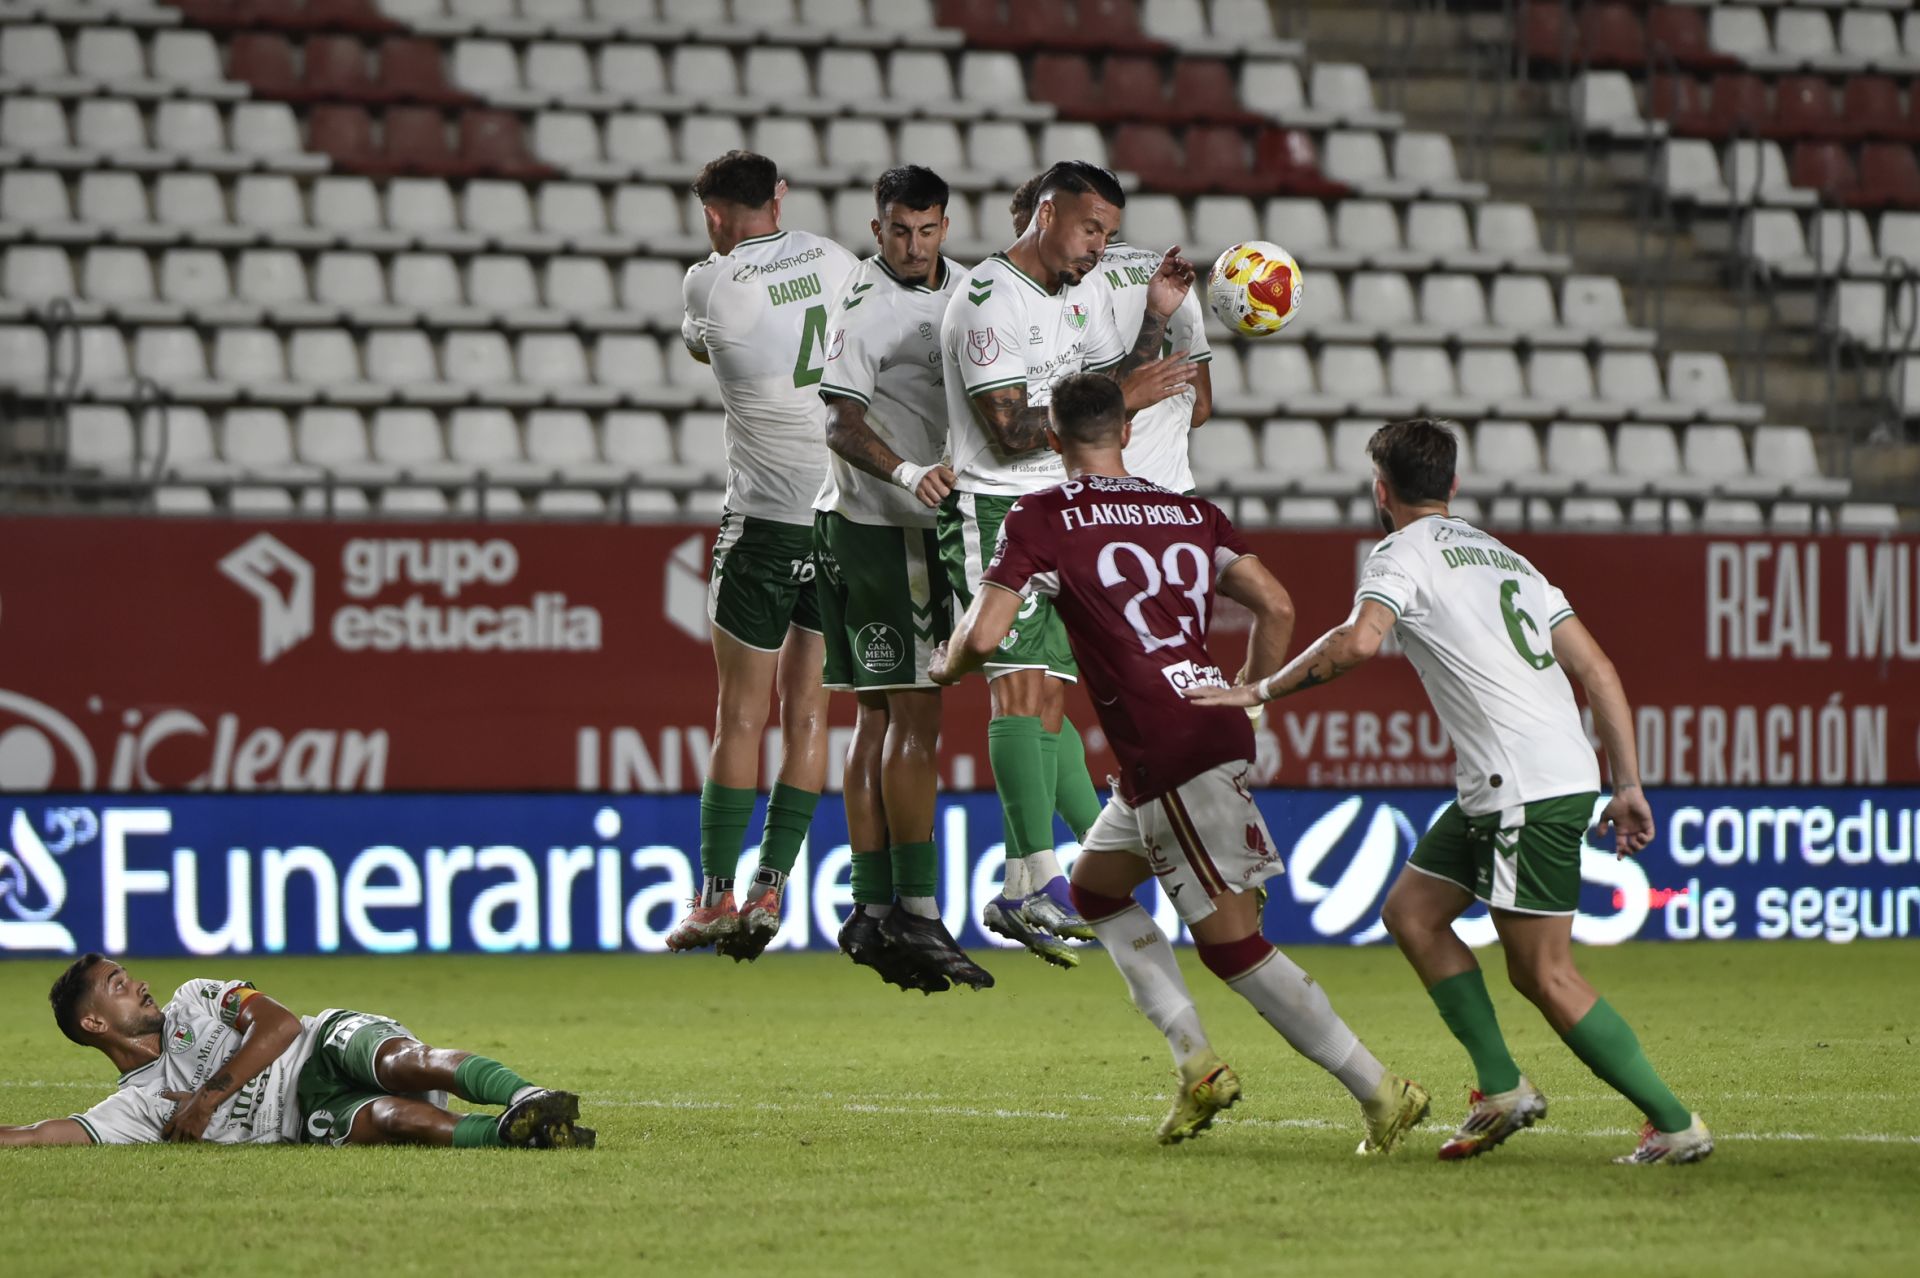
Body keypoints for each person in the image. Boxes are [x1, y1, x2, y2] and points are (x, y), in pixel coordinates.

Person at [1187, 417, 1713, 1167]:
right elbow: (1597, 673)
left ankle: (1674, 1123)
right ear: (1453, 485)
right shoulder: (1509, 560)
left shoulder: (1400, 553)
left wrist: (1260, 689)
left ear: (1381, 490)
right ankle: (1501, 1089)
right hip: (1529, 778)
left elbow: (1360, 641)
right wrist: (1626, 784)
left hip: (1520, 788)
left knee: (1543, 972)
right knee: (1412, 913)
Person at [930, 374, 1430, 1153]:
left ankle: (1379, 1089)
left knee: (1234, 948)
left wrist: (944, 665)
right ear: (1125, 433)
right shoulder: (1192, 512)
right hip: (1184, 735)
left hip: (1169, 747)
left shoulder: (1042, 515)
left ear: (1053, 439)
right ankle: (1195, 1064)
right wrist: (1249, 698)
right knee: (1096, 891)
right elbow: (1279, 605)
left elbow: (987, 636)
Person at [938, 161, 1197, 967]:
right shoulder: (988, 303)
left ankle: (1046, 880)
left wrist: (1153, 322)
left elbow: (1096, 393)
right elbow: (1014, 432)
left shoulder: (1072, 294)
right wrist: (1129, 397)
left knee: (1050, 700)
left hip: (1058, 507)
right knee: (1019, 689)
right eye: (1091, 230)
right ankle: (1036, 881)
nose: (1098, 248)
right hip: (996, 504)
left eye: (1109, 236)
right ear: (1046, 214)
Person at [673, 150, 858, 960]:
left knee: (739, 715)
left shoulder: (709, 282)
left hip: (766, 521)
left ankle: (714, 897)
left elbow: (703, 353)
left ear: (713, 213)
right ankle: (774, 885)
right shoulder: (837, 258)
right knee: (811, 712)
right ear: (780, 197)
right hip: (844, 516)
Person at [814, 164, 991, 994]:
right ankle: (917, 913)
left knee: (879, 718)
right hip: (888, 529)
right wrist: (912, 470)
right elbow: (841, 423)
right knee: (917, 716)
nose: (912, 246)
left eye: (926, 231)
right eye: (897, 231)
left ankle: (872, 906)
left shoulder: (969, 288)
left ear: (944, 227)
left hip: (875, 528)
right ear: (876, 228)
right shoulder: (863, 306)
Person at [0, 955, 591, 1149]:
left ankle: (527, 1095)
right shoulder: (132, 1107)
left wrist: (208, 1098)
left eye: (130, 974)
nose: (139, 984)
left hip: (322, 1041)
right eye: (119, 985)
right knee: (391, 1120)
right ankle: (522, 1135)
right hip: (299, 1116)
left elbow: (278, 1025)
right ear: (94, 1021)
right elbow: (35, 1135)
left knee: (402, 1062)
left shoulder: (193, 999)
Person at [1009, 176, 1214, 494]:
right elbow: (1200, 408)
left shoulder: (1070, 286)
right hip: (1172, 493)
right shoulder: (1162, 269)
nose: (1021, 249)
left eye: (1027, 234)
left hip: (1096, 498)